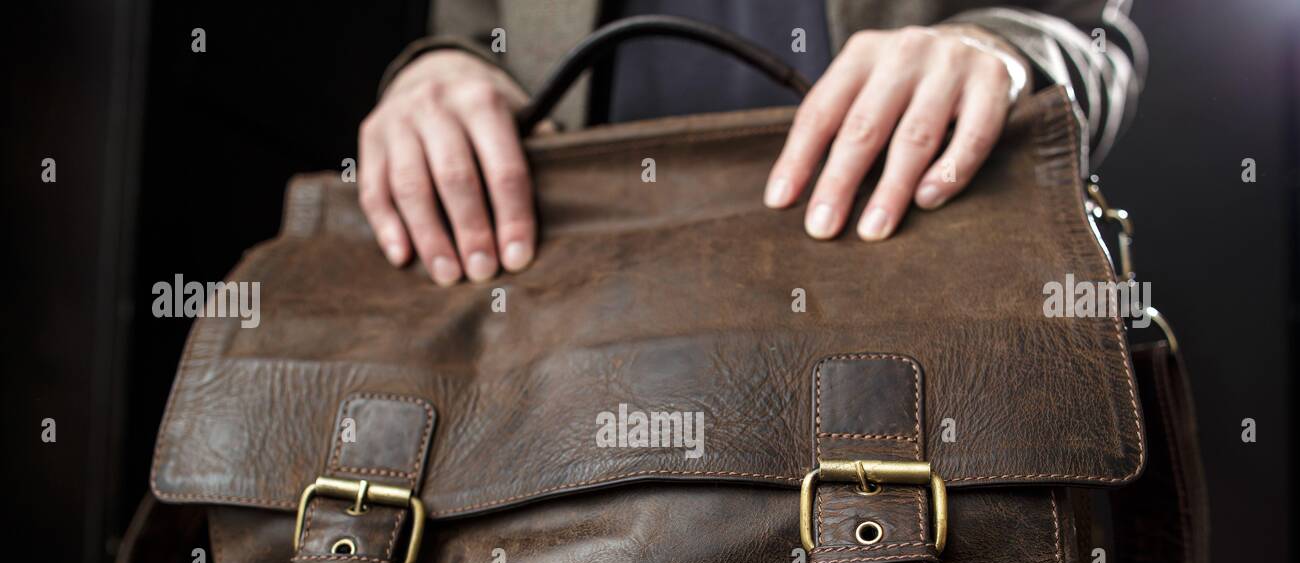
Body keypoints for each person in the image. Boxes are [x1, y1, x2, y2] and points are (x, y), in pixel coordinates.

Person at [359, 1, 1143, 285]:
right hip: (558, 308)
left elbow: (1093, 39)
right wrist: (439, 72)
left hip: (901, 289)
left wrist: (997, 50)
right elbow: (468, 39)